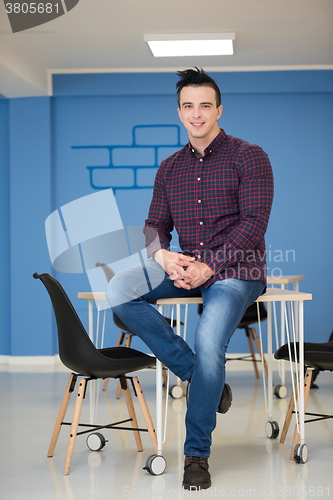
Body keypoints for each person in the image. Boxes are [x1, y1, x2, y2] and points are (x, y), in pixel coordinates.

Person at [106, 67, 274, 490]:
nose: (196, 114)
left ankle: (196, 454)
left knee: (208, 337)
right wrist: (162, 255)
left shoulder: (249, 156)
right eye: (188, 106)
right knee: (119, 289)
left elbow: (254, 224)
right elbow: (152, 227)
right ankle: (203, 380)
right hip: (185, 268)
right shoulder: (170, 168)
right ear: (179, 112)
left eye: (204, 105)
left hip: (237, 271)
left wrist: (209, 266)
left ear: (219, 109)